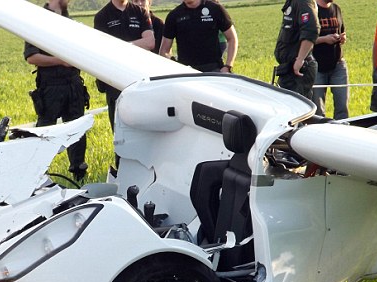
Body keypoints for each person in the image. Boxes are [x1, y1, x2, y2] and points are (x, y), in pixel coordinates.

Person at [24, 0, 88, 181]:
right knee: (44, 132)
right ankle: (35, 176)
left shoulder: (70, 22)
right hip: (50, 86)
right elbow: (32, 57)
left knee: (77, 131)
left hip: (73, 84)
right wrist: (61, 60)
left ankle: (79, 174)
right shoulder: (37, 22)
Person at [94, 0, 154, 132]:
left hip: (139, 79)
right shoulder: (102, 16)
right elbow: (103, 48)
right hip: (114, 81)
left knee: (143, 130)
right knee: (119, 132)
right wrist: (137, 44)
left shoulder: (140, 12)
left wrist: (123, 46)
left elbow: (150, 42)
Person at [159, 0, 238, 73]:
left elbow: (232, 38)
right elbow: (164, 51)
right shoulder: (174, 15)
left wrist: (228, 66)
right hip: (186, 72)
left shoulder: (215, 9)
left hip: (213, 69)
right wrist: (175, 67)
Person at [274, 0, 320, 100]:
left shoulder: (302, 2)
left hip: (298, 71)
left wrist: (300, 60)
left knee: (296, 110)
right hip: (289, 70)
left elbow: (311, 30)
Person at [312, 0, 348, 119]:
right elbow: (304, 39)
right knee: (317, 111)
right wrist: (324, 39)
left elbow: (342, 30)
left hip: (338, 64)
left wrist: (342, 38)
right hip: (317, 66)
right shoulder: (312, 10)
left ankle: (343, 133)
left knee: (342, 107)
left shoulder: (336, 8)